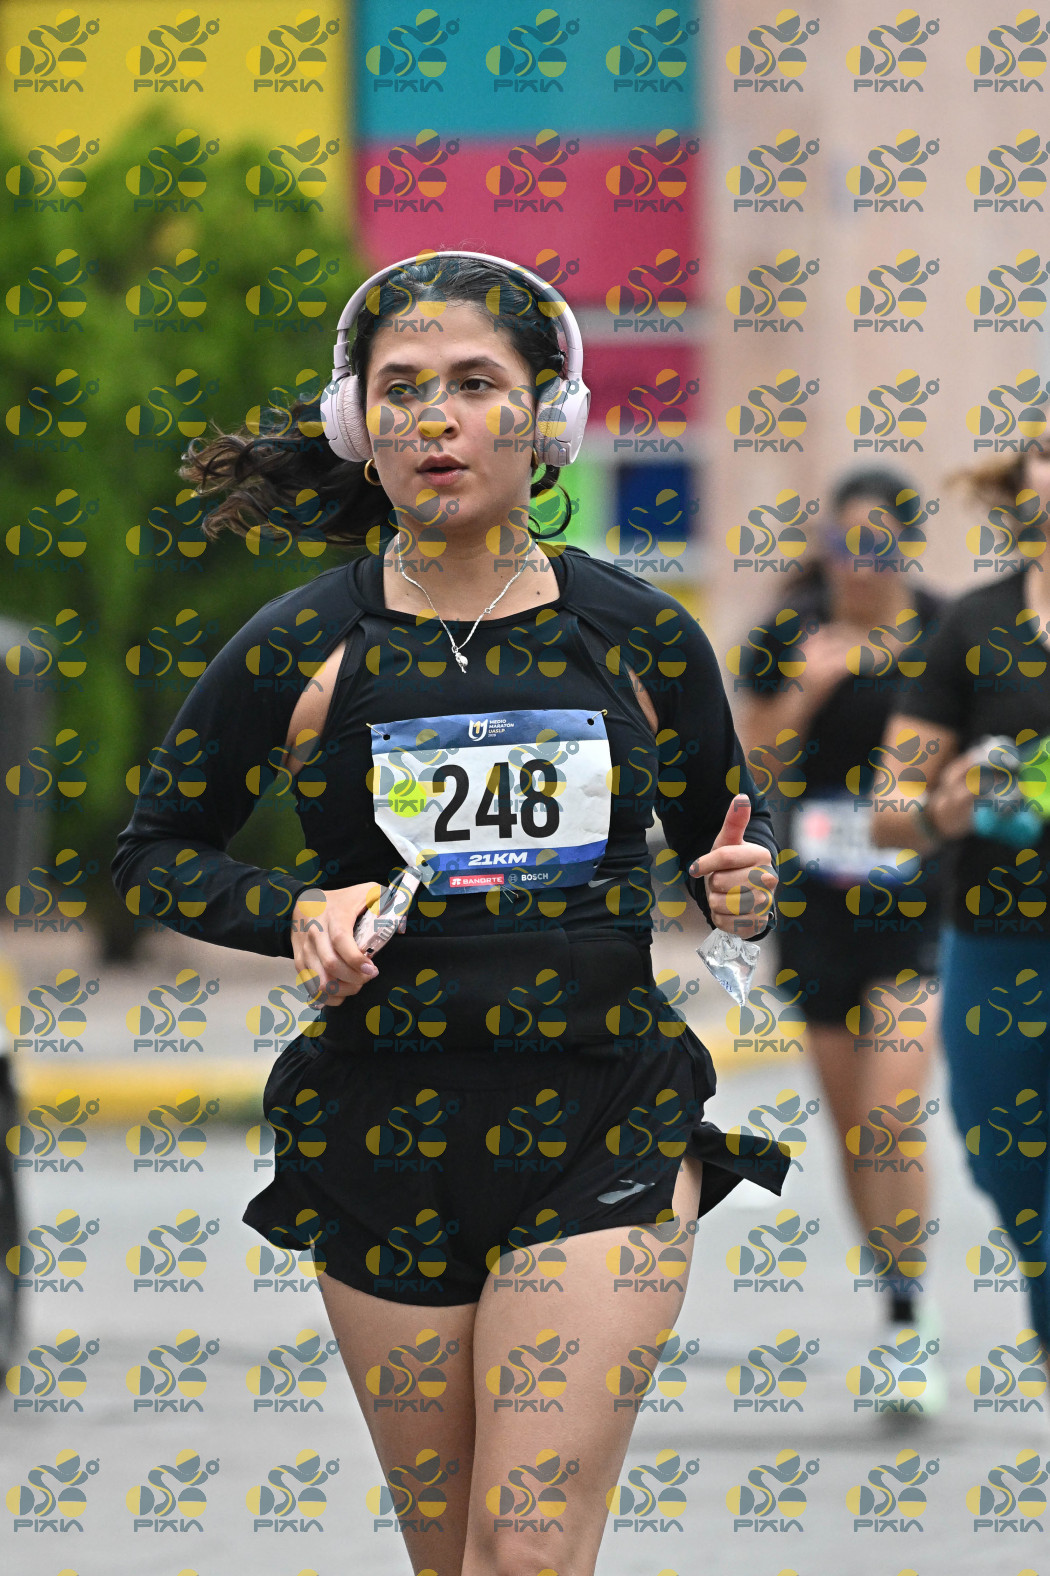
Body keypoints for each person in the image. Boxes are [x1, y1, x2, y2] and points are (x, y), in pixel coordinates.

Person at [112, 250, 790, 1576]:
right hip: (382, 1135)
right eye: (403, 388)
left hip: (602, 1114)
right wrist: (297, 909)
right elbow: (155, 854)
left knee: (525, 1549)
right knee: (453, 1556)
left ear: (548, 415)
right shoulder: (300, 644)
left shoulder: (641, 636)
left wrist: (746, 879)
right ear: (356, 426)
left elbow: (732, 821)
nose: (438, 417)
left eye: (476, 384)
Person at [732, 469, 945, 1392]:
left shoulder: (944, 632)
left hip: (917, 902)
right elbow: (751, 762)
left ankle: (913, 1317)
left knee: (894, 1113)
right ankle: (897, 1299)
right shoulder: (790, 634)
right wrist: (805, 691)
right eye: (845, 544)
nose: (860, 564)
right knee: (857, 1128)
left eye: (879, 544)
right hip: (818, 910)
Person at [871, 438, 1050, 1352]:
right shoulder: (975, 627)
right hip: (998, 947)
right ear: (1024, 482)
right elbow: (889, 814)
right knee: (1012, 1181)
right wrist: (947, 806)